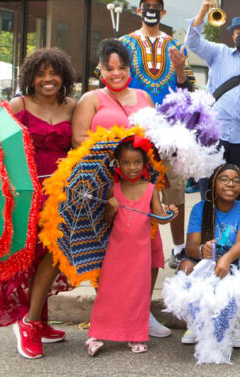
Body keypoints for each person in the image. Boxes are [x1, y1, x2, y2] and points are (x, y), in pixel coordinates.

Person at [73, 38, 171, 338]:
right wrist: (114, 152)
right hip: (105, 183)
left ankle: (142, 313)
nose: (116, 73)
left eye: (122, 67)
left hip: (142, 184)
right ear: (100, 69)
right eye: (109, 68)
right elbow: (78, 139)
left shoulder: (144, 96)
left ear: (130, 68)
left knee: (150, 247)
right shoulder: (91, 98)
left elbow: (154, 141)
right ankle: (112, 313)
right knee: (111, 251)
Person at [0, 48, 76, 359]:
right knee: (26, 258)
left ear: (63, 76)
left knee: (52, 254)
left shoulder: (73, 107)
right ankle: (30, 321)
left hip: (60, 195)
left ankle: (35, 318)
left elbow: (79, 147)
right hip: (25, 195)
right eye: (40, 74)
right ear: (30, 78)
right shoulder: (17, 105)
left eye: (53, 73)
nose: (47, 79)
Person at [118, 0, 195, 270]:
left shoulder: (176, 46)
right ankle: (136, 249)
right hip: (135, 130)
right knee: (135, 189)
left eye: (156, 7)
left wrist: (180, 70)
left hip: (170, 130)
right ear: (139, 11)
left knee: (175, 190)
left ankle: (178, 249)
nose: (151, 10)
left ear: (163, 13)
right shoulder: (124, 44)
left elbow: (188, 89)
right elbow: (111, 80)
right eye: (146, 6)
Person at [86, 137, 178, 356]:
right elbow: (107, 222)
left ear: (144, 163)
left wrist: (171, 213)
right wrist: (111, 208)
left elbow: (160, 218)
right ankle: (96, 335)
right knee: (109, 292)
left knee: (138, 293)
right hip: (117, 252)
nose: (132, 167)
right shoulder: (113, 190)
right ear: (118, 164)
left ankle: (136, 335)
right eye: (126, 163)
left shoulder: (150, 189)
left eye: (136, 162)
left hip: (140, 253)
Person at [185, 0, 240, 198]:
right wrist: (203, 11)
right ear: (233, 36)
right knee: (208, 193)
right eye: (239, 31)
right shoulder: (219, 52)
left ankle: (237, 231)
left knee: (239, 194)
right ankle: (208, 231)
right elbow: (192, 42)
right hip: (212, 136)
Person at [178, 163, 240, 347]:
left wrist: (225, 258)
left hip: (237, 260)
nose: (230, 184)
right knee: (185, 267)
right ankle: (196, 320)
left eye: (236, 181)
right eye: (224, 179)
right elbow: (191, 246)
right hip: (208, 259)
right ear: (214, 184)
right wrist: (202, 251)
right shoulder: (201, 208)